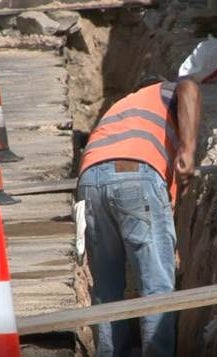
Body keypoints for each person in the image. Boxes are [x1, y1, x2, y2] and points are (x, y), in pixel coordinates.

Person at [76, 76, 202, 356]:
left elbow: (162, 206)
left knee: (106, 288)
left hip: (88, 182)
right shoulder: (165, 92)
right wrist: (188, 148)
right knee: (157, 287)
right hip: (134, 173)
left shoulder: (121, 109)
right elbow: (189, 85)